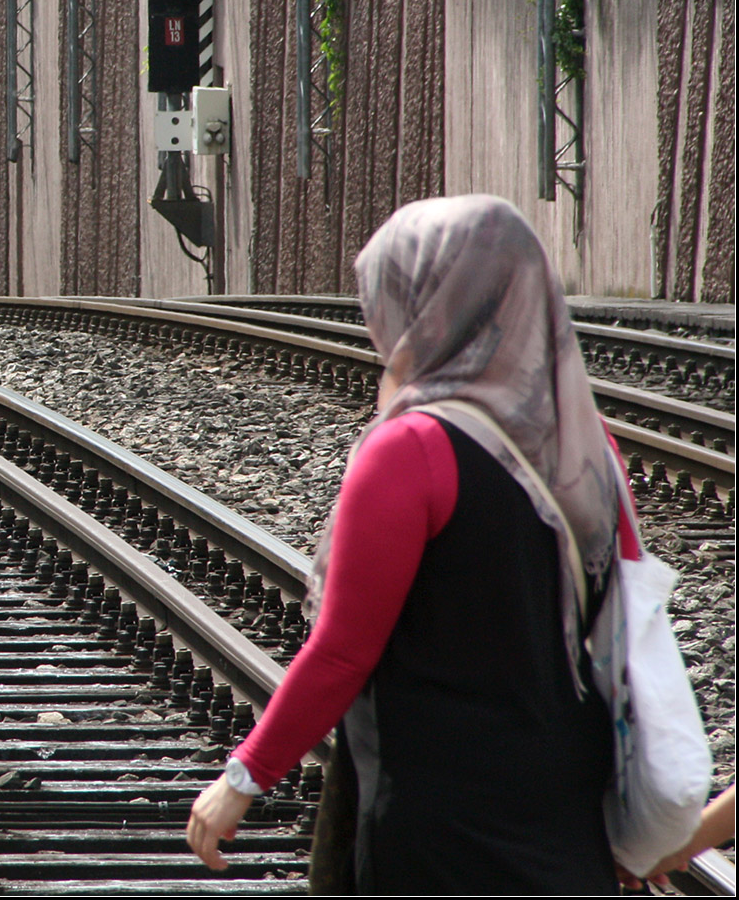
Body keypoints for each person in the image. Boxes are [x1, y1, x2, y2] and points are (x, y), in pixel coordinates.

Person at [186, 195, 629, 893]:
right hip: (567, 805)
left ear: (425, 306)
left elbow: (342, 649)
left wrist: (245, 775)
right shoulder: (588, 448)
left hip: (437, 821)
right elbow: (618, 618)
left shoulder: (412, 448)